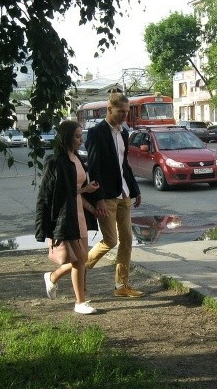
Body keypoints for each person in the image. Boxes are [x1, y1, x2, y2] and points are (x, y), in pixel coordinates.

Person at [35, 120, 100, 315]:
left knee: (82, 259)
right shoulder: (55, 161)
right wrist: (44, 226)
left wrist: (90, 201)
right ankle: (80, 302)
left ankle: (53, 277)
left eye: (81, 136)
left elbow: (76, 191)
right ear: (66, 137)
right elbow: (50, 194)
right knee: (80, 260)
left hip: (79, 214)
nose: (81, 140)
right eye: (77, 136)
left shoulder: (78, 159)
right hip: (66, 215)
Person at [85, 92, 144, 297]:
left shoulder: (124, 133)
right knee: (110, 241)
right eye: (120, 112)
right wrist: (98, 198)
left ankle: (121, 286)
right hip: (106, 197)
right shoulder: (96, 133)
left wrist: (134, 190)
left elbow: (123, 164)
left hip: (124, 195)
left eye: (127, 112)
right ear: (109, 110)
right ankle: (81, 267)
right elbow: (94, 167)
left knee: (127, 240)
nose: (124, 116)